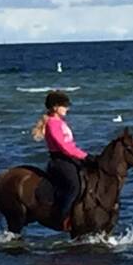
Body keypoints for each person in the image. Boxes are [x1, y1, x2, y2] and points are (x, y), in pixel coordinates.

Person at [32, 90, 88, 231]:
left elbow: (71, 145)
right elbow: (64, 147)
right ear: (56, 107)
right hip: (60, 161)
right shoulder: (52, 123)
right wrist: (85, 156)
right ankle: (61, 217)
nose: (67, 108)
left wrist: (84, 156)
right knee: (74, 185)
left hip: (69, 158)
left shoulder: (60, 122)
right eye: (64, 105)